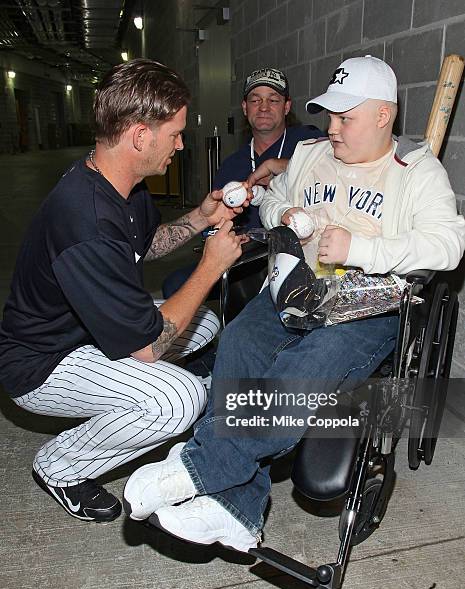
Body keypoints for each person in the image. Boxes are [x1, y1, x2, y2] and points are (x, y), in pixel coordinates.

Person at [122, 56, 465, 551]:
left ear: (383, 116)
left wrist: (361, 250)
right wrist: (290, 214)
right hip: (296, 288)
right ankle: (235, 511)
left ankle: (203, 464)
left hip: (366, 306)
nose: (333, 128)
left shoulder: (416, 171)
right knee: (238, 341)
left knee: (299, 369)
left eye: (346, 118)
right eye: (330, 116)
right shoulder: (310, 153)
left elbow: (448, 245)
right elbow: (270, 199)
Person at [0, 59, 249, 523]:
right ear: (139, 136)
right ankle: (60, 466)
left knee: (205, 323)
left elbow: (144, 246)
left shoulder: (122, 185)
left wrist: (199, 217)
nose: (180, 144)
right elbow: (148, 347)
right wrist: (211, 266)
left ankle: (136, 394)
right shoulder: (86, 219)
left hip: (85, 329)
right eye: (174, 134)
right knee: (178, 401)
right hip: (42, 362)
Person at [161, 67, 323, 298]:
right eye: (255, 100)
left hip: (301, 258)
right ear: (245, 108)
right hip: (247, 259)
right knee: (175, 285)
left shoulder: (309, 142)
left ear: (286, 107)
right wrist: (229, 234)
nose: (264, 107)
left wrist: (285, 166)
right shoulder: (232, 165)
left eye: (273, 100)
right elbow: (215, 227)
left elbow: (342, 169)